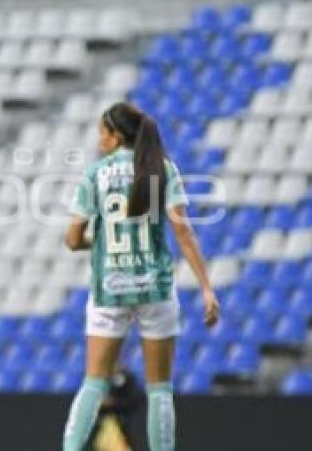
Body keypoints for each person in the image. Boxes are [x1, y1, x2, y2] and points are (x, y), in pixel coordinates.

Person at [62, 102, 221, 451]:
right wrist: (207, 288)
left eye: (102, 132)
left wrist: (94, 243)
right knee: (159, 388)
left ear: (116, 136)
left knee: (94, 383)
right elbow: (183, 233)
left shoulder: (95, 174)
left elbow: (72, 238)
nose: (99, 139)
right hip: (155, 287)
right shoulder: (162, 169)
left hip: (110, 287)